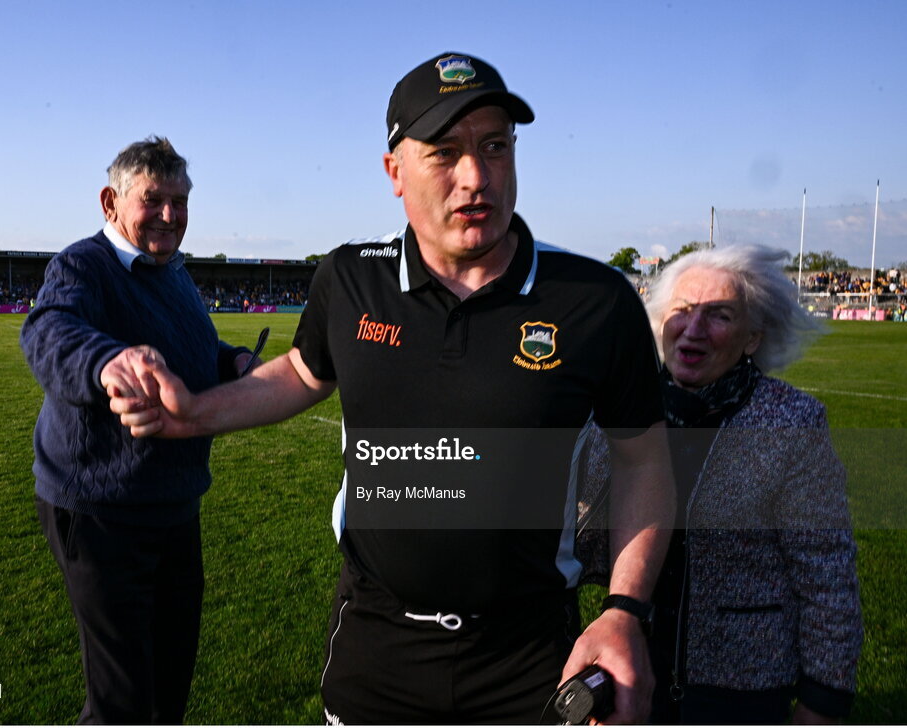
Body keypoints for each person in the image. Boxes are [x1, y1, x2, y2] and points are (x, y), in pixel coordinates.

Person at [110, 53, 674, 724]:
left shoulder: (593, 301)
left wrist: (623, 610)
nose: (476, 176)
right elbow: (299, 372)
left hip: (529, 653)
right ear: (394, 173)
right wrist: (194, 414)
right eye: (444, 153)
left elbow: (644, 459)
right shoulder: (350, 280)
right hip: (376, 642)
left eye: (495, 146)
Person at [20, 137, 256, 724]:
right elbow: (48, 331)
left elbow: (192, 345)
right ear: (110, 202)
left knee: (170, 683)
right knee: (122, 701)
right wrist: (108, 363)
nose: (171, 216)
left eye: (180, 202)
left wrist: (231, 363)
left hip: (175, 503)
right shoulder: (82, 264)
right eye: (154, 199)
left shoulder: (172, 271)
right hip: (102, 510)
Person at [578, 245, 863, 724]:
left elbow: (827, 578)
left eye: (719, 315)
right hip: (630, 666)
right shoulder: (622, 410)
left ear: (752, 338)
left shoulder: (792, 423)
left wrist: (822, 702)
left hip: (740, 690)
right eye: (682, 311)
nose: (694, 329)